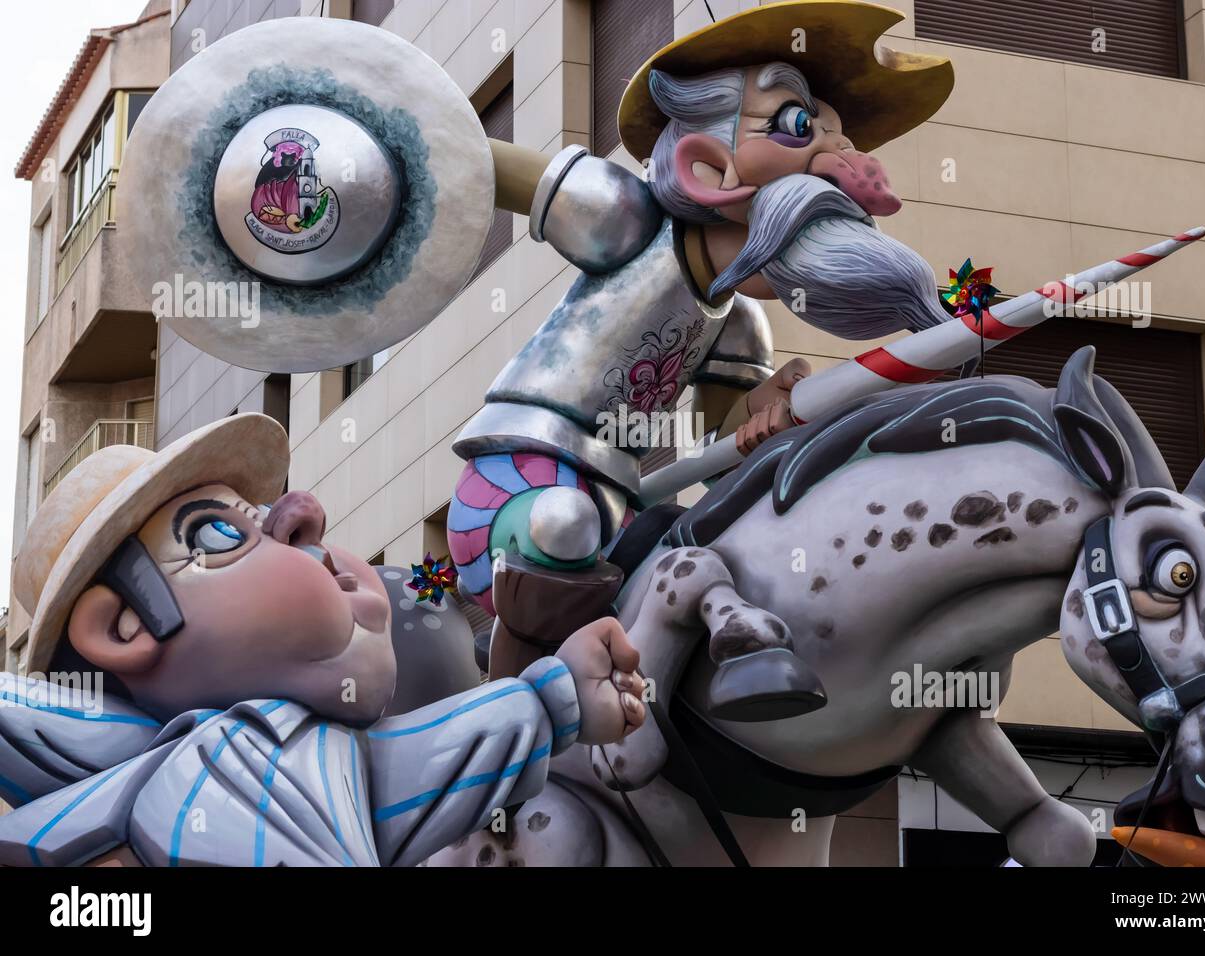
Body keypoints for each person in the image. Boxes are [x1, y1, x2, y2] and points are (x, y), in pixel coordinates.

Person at [451, 1, 956, 712]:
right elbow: (461, 156)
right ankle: (523, 720)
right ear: (708, 165)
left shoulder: (740, 324)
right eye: (799, 126)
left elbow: (723, 449)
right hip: (515, 488)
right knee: (562, 525)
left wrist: (766, 409)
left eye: (838, 138)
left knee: (709, 559)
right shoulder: (621, 216)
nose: (844, 163)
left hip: (618, 512)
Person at [0, 413, 644, 866]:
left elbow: (415, 764)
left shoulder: (331, 755)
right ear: (124, 628)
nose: (303, 514)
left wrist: (553, 698)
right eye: (220, 535)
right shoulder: (171, 774)